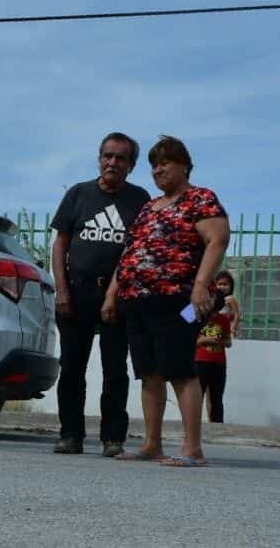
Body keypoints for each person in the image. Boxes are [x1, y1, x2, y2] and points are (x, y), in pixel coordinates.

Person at [102, 135, 230, 467]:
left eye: (165, 163)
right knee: (149, 373)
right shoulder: (148, 207)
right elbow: (131, 253)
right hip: (137, 302)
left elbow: (217, 239)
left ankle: (192, 449)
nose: (158, 170)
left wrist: (201, 286)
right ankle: (151, 444)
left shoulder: (200, 199)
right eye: (154, 165)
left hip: (177, 300)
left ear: (184, 165)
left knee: (181, 371)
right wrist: (112, 294)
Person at [51, 132, 150, 457]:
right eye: (107, 156)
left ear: (131, 165)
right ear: (99, 158)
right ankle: (70, 435)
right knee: (72, 368)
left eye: (121, 158)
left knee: (115, 370)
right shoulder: (79, 194)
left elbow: (135, 252)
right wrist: (62, 290)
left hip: (118, 295)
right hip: (76, 292)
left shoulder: (139, 199)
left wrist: (112, 294)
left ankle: (113, 439)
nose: (112, 162)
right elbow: (60, 244)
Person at [195, 271, 237, 423]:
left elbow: (228, 342)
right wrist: (205, 339)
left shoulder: (223, 319)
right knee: (195, 399)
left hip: (219, 364)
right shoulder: (193, 313)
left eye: (217, 311)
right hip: (198, 362)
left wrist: (221, 341)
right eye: (212, 310)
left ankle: (217, 429)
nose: (214, 314)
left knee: (216, 400)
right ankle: (193, 427)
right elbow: (180, 336)